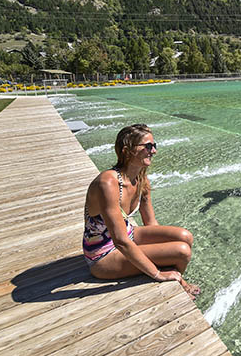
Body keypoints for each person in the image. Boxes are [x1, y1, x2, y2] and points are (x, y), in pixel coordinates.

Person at [83, 124, 201, 299]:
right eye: (148, 146)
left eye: (154, 146)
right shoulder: (107, 183)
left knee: (185, 237)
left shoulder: (141, 178)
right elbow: (121, 242)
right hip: (102, 255)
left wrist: (161, 250)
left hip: (129, 235)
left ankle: (174, 277)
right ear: (127, 150)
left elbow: (151, 224)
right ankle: (172, 283)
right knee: (182, 251)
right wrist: (157, 273)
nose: (154, 151)